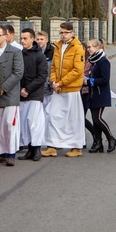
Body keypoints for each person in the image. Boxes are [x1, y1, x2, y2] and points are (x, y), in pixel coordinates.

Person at [42, 22, 86, 157]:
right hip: (58, 89)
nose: (63, 35)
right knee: (52, 115)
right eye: (61, 32)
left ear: (72, 33)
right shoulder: (58, 47)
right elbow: (54, 67)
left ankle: (76, 147)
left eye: (66, 32)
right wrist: (54, 81)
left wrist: (61, 82)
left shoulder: (78, 48)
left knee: (73, 119)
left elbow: (78, 70)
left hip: (71, 89)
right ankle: (52, 145)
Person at [0, 25, 24, 166]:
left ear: (6, 36)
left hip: (9, 93)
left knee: (10, 124)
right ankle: (0, 152)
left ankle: (11, 153)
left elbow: (18, 73)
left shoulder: (15, 52)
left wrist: (3, 88)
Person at [17, 28, 48, 161]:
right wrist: (19, 89)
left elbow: (42, 77)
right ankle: (29, 148)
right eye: (21, 38)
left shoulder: (39, 56)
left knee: (34, 122)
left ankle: (36, 148)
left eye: (25, 38)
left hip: (34, 94)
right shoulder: (19, 55)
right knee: (24, 123)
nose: (23, 41)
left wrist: (28, 89)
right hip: (21, 94)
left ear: (32, 39)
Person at [85, 39, 116, 153]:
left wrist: (88, 82)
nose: (88, 49)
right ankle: (98, 143)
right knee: (94, 120)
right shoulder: (93, 61)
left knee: (97, 118)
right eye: (88, 47)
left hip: (100, 94)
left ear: (97, 48)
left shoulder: (103, 61)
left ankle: (111, 138)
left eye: (90, 47)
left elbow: (104, 79)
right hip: (93, 94)